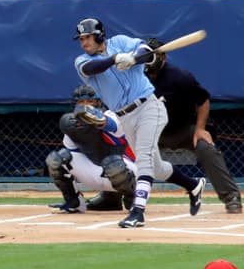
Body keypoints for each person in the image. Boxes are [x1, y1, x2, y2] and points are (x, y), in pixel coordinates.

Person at [72, 17, 207, 229]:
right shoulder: (81, 60)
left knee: (143, 159)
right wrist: (115, 59)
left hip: (148, 107)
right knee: (155, 166)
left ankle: (138, 212)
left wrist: (134, 59)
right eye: (81, 39)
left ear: (99, 35)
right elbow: (91, 68)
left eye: (87, 37)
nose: (83, 43)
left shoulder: (121, 41)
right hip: (124, 116)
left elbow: (146, 51)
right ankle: (194, 185)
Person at [143, 40, 243, 214]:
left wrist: (200, 128)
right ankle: (114, 196)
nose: (148, 61)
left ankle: (231, 196)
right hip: (152, 131)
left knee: (206, 148)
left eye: (152, 56)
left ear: (163, 57)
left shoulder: (179, 77)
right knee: (122, 147)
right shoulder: (135, 77)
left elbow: (202, 100)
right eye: (144, 56)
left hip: (182, 129)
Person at [45, 84, 137, 214]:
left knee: (112, 164)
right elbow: (71, 154)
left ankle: (135, 200)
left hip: (129, 170)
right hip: (98, 172)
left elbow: (113, 126)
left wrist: (99, 120)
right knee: (56, 159)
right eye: (81, 102)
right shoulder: (74, 126)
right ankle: (74, 202)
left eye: (90, 102)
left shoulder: (112, 115)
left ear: (99, 102)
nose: (85, 106)